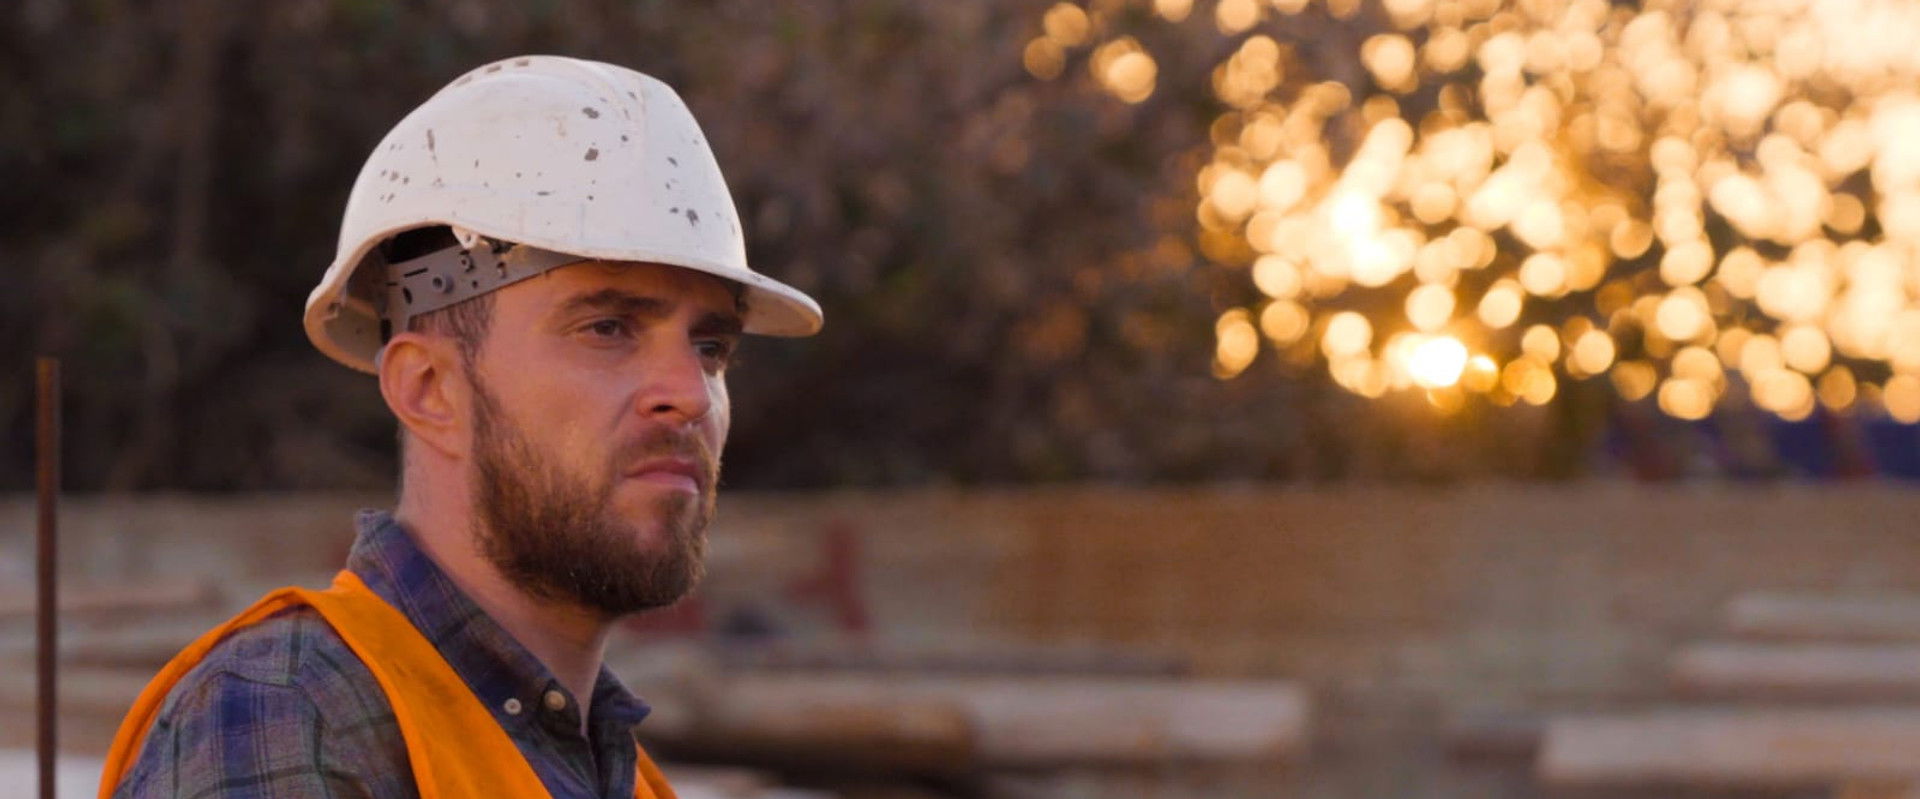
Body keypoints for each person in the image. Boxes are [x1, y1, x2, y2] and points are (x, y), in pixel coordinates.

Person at [98, 55, 822, 799]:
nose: (690, 394)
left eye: (710, 348)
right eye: (608, 327)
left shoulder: (618, 776)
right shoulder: (288, 716)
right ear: (429, 388)